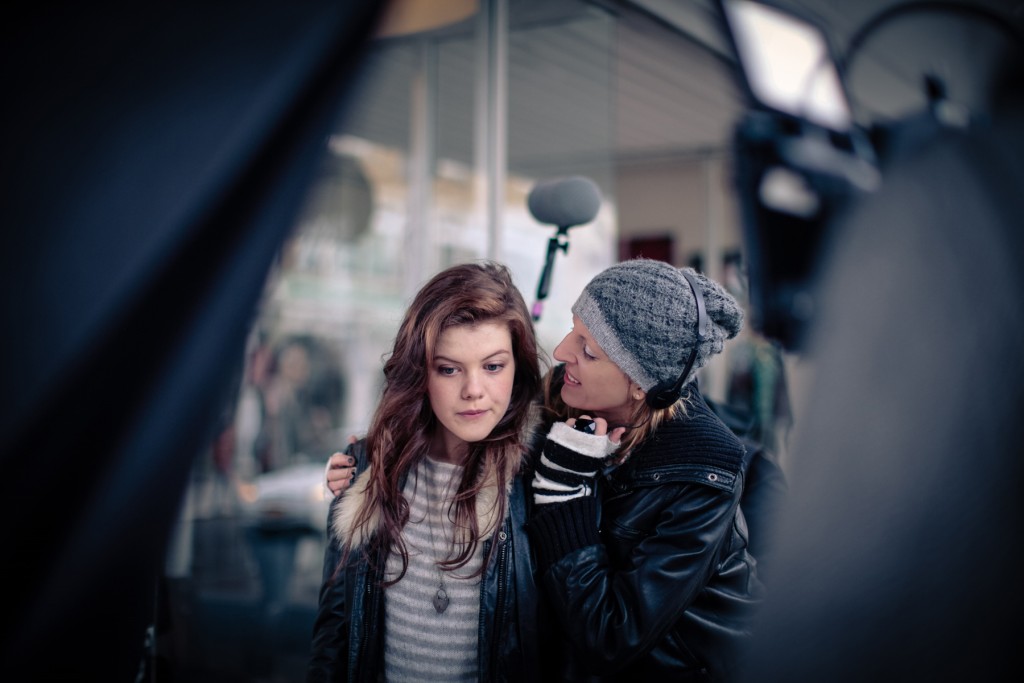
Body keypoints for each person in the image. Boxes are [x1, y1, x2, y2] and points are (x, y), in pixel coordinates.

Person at [329, 257, 761, 681]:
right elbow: (336, 633)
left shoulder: (701, 476)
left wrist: (563, 493)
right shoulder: (565, 400)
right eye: (574, 329)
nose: (560, 353)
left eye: (588, 350)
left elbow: (609, 636)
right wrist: (372, 459)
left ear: (638, 382)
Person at [306, 261, 546, 682]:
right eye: (449, 369)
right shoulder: (367, 467)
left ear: (517, 368)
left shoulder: (540, 476)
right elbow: (336, 630)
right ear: (420, 372)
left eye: (493, 367)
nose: (474, 390)